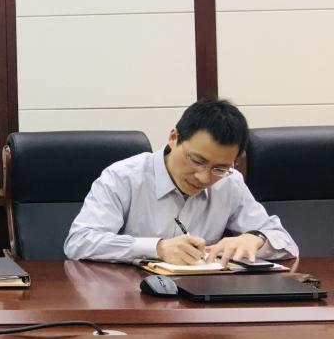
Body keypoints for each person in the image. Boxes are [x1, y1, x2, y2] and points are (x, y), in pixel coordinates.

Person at [64, 98, 298, 266]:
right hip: (132, 298)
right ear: (173, 137)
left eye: (219, 168)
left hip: (205, 301)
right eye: (197, 161)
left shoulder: (230, 182)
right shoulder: (123, 177)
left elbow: (286, 242)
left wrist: (255, 239)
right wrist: (158, 248)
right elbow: (79, 242)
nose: (204, 177)